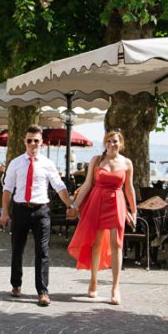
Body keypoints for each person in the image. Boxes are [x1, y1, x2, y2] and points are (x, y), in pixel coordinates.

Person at [0, 125, 76, 307]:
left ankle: (42, 291)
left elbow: (59, 186)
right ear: (24, 142)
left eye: (36, 141)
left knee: (42, 252)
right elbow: (8, 188)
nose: (33, 144)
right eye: (29, 141)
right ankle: (16, 284)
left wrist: (70, 205)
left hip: (41, 211)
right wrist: (4, 212)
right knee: (17, 249)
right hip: (20, 209)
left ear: (42, 142)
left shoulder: (48, 164)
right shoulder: (16, 163)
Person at [67, 129, 137, 305]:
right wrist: (74, 205)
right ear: (105, 143)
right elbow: (87, 184)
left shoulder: (127, 163)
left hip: (117, 202)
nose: (112, 144)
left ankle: (115, 288)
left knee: (117, 244)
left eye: (115, 141)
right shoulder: (97, 160)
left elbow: (129, 188)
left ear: (121, 143)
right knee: (96, 244)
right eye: (108, 141)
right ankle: (93, 280)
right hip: (97, 202)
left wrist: (134, 211)